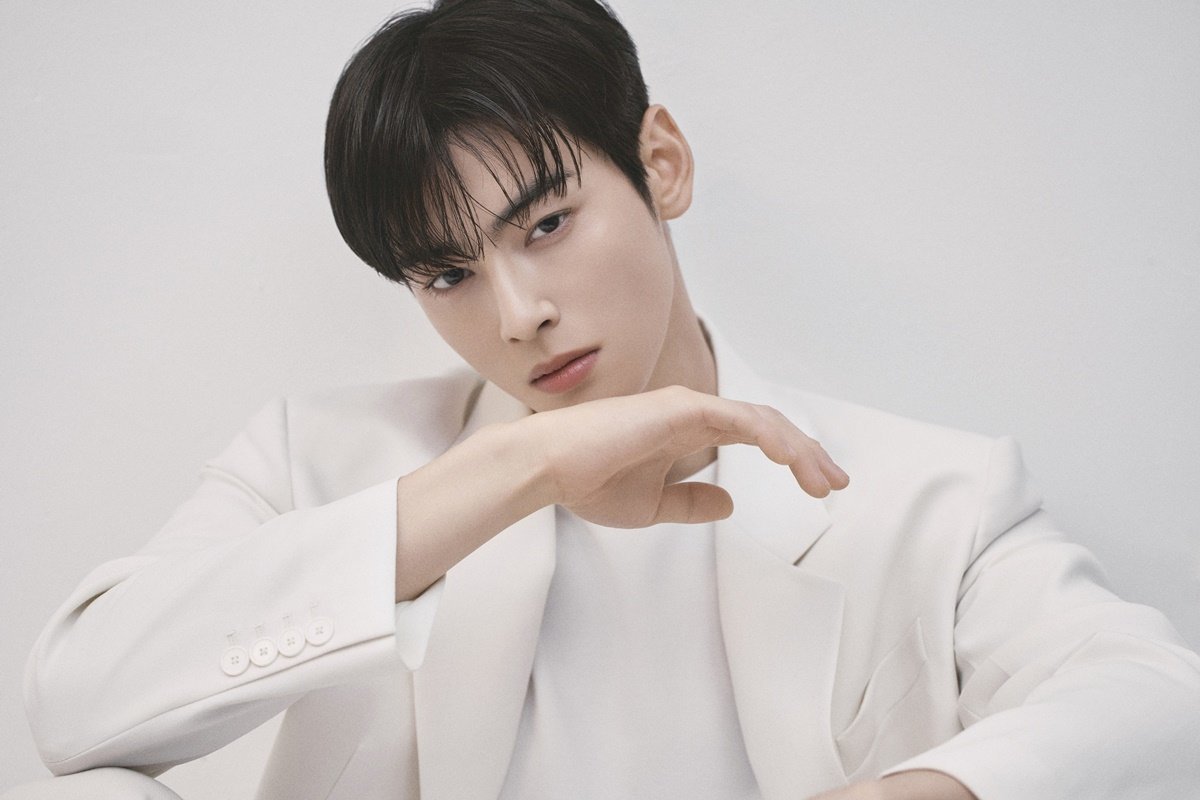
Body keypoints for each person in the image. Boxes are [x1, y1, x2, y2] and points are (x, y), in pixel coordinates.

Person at [13, 1, 1200, 799]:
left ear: (660, 163)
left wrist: (924, 789)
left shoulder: (930, 491)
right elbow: (78, 704)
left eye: (546, 223)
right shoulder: (314, 456)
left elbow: (1157, 699)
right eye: (447, 275)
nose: (517, 312)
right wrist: (518, 469)